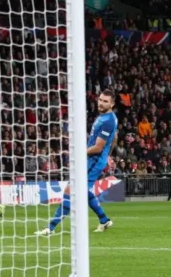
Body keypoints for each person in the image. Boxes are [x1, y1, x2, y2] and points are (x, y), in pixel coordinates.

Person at [35, 89, 118, 235]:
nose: (101, 103)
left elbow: (98, 147)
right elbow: (115, 137)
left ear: (112, 104)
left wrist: (81, 153)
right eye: (100, 99)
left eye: (105, 101)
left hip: (93, 161)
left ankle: (51, 227)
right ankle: (104, 220)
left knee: (70, 190)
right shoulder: (106, 117)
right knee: (83, 192)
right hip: (94, 159)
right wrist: (108, 156)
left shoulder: (108, 121)